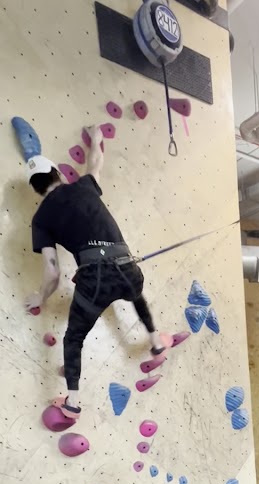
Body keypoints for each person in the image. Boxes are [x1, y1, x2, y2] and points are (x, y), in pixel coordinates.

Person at [25, 128, 171, 420]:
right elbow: (95, 162)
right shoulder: (84, 186)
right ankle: (155, 342)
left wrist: (39, 297)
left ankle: (73, 404)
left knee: (74, 339)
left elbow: (53, 273)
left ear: (37, 190)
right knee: (135, 294)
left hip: (95, 281)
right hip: (129, 268)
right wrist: (95, 139)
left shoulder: (40, 218)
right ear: (57, 173)